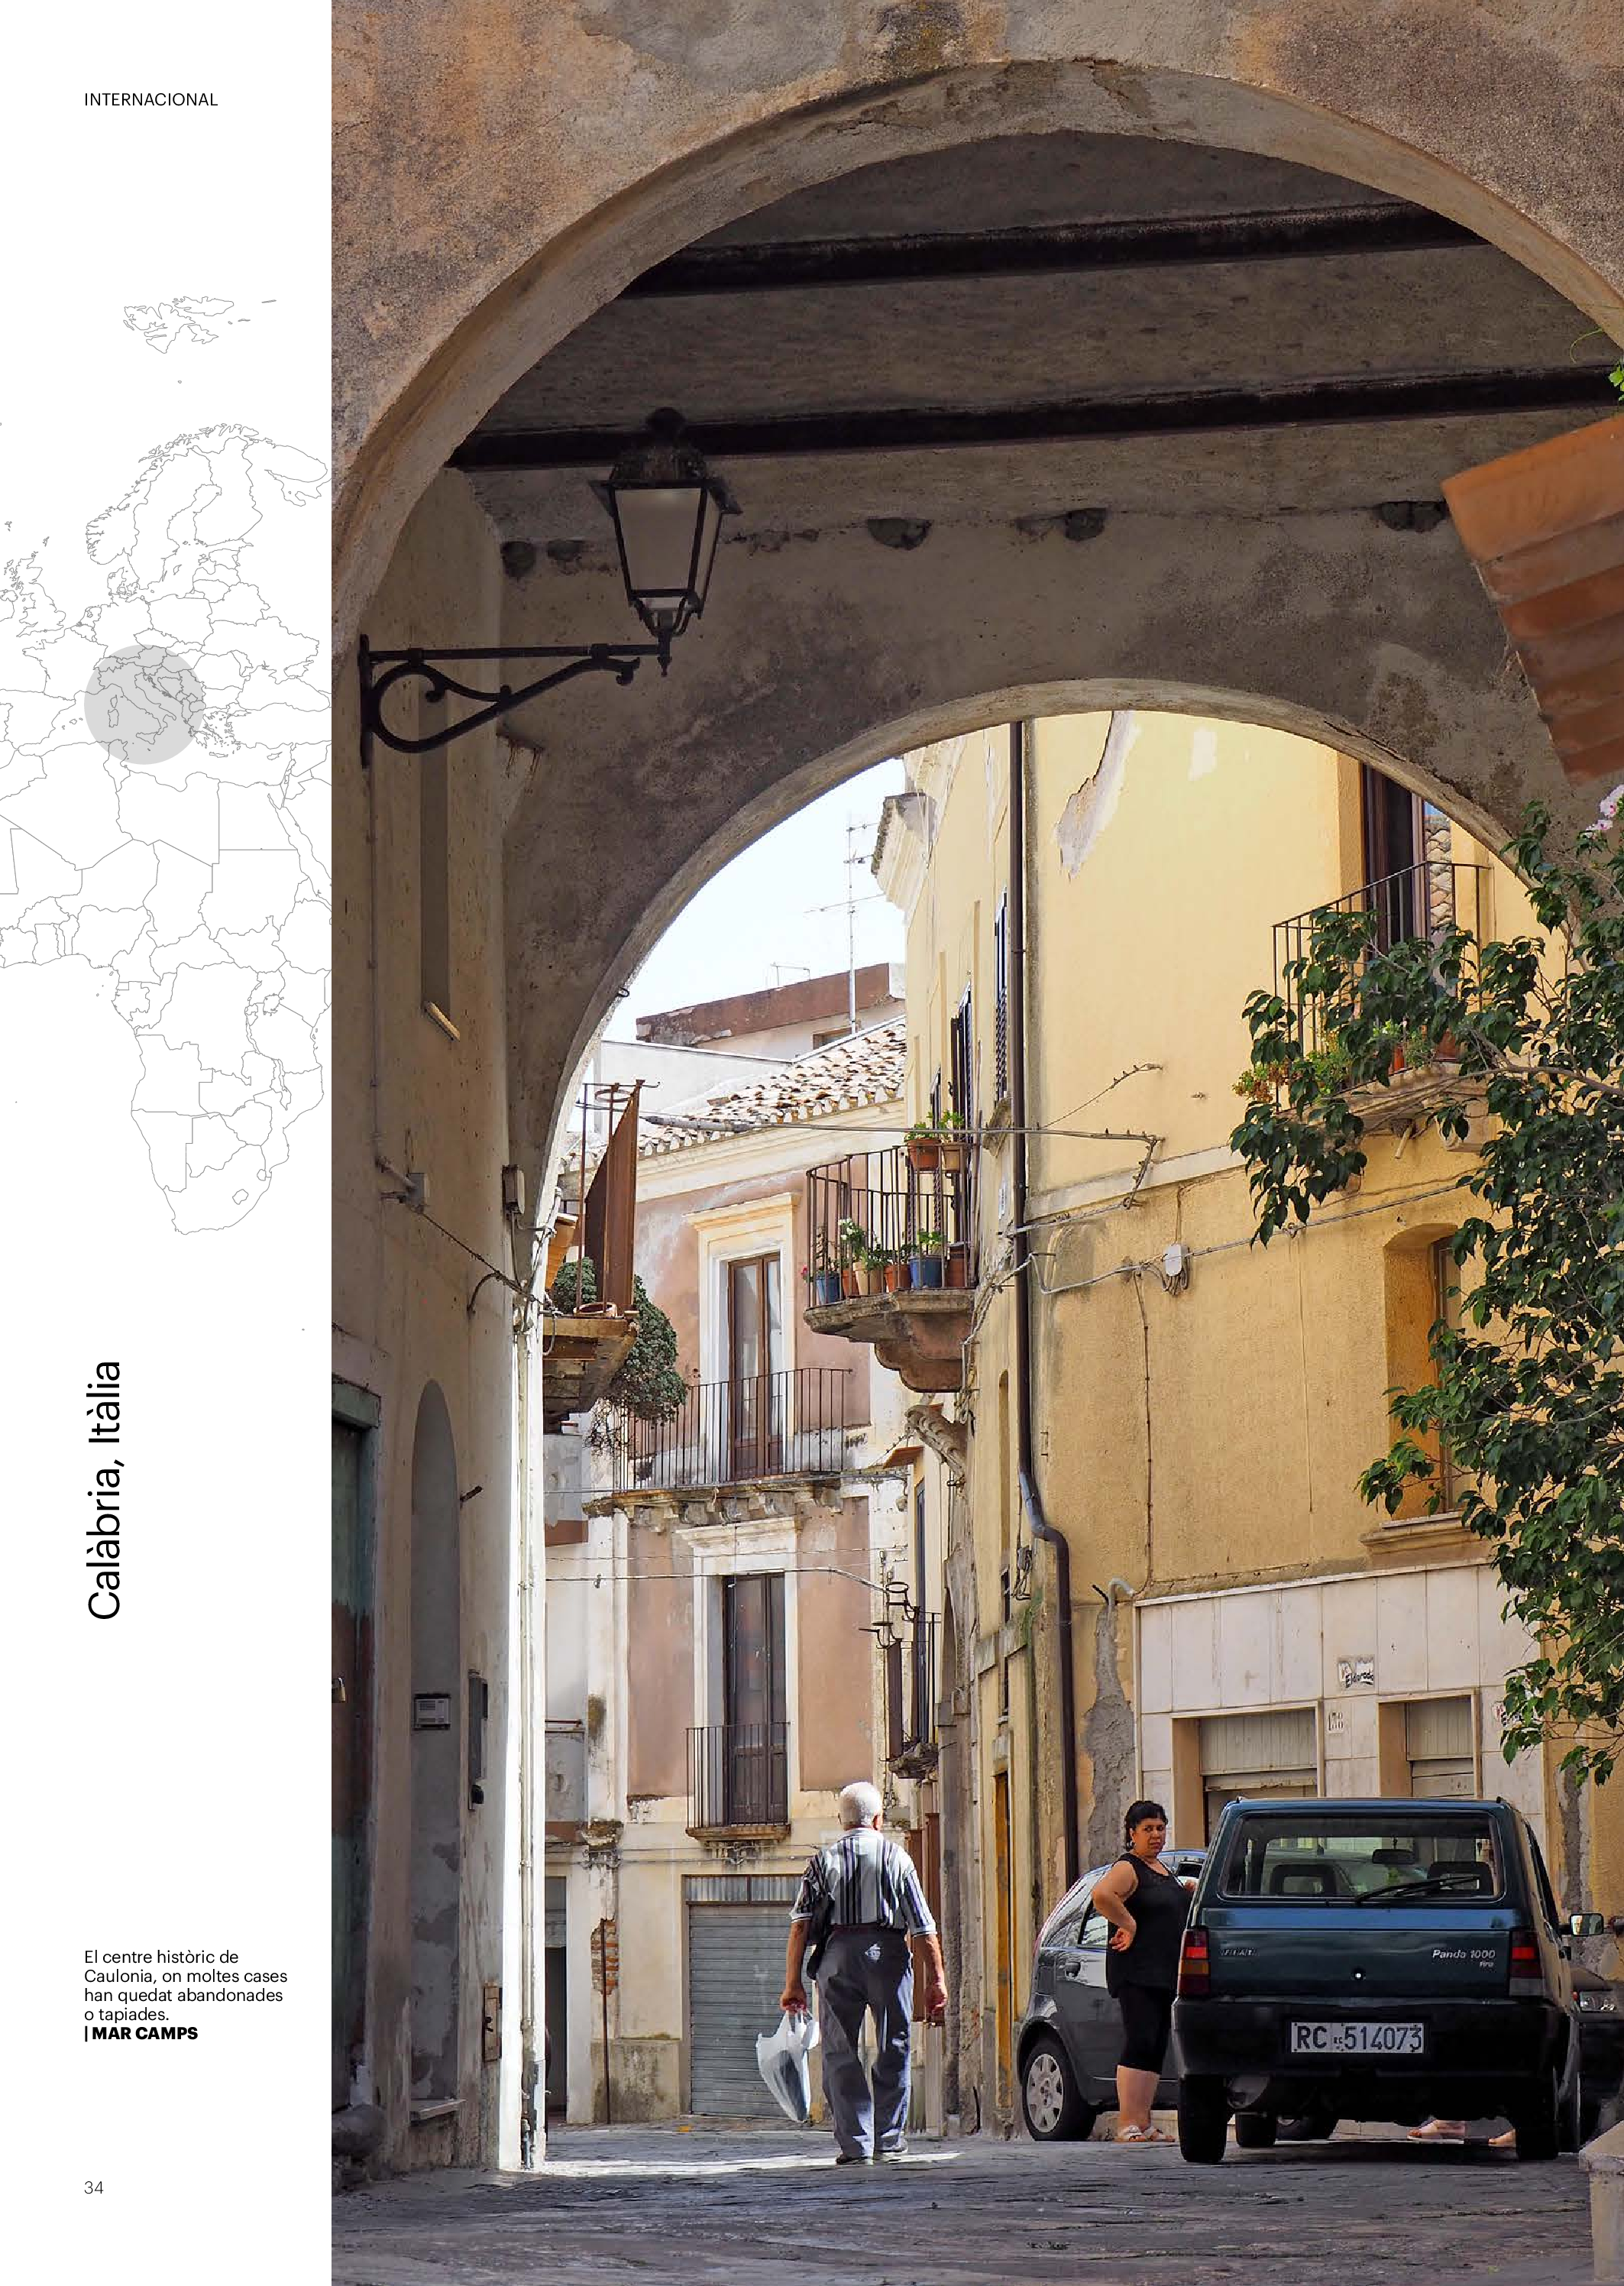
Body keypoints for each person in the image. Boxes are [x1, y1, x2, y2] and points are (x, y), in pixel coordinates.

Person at [781, 1779, 947, 2164]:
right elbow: (923, 1927)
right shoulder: (897, 1858)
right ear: (877, 1819)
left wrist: (793, 1983)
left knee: (839, 2051)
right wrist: (936, 1980)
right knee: (895, 2045)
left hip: (837, 1955)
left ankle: (855, 2146)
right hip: (888, 1953)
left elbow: (800, 1926)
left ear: (842, 1820)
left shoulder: (822, 1861)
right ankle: (888, 2141)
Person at [1091, 1798, 1192, 2144]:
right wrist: (1128, 1924)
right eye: (1148, 1829)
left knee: (1155, 2044)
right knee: (1140, 2040)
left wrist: (1188, 1892)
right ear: (1132, 1833)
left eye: (1160, 1828)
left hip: (1164, 1973)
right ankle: (1127, 2123)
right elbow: (1102, 1895)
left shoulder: (1162, 1869)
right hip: (1137, 1973)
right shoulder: (1128, 1867)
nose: (1156, 1835)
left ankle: (1144, 2123)